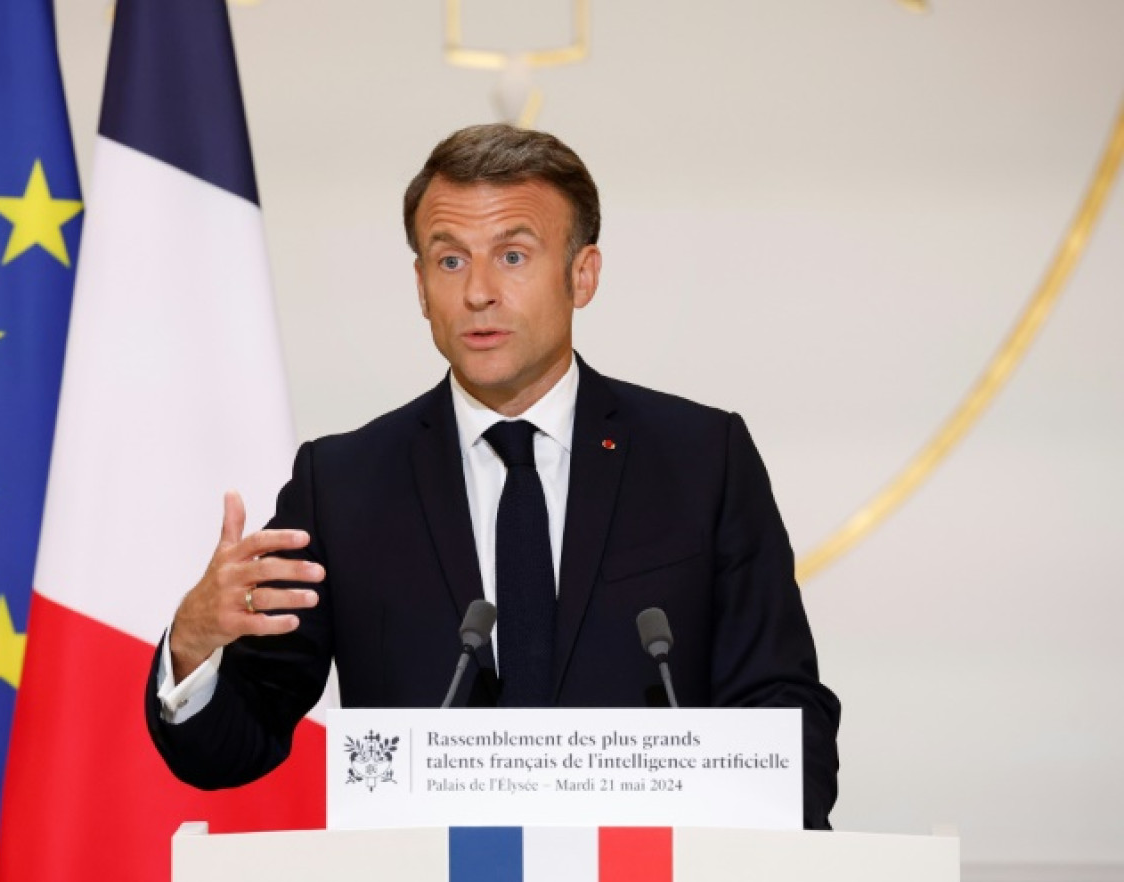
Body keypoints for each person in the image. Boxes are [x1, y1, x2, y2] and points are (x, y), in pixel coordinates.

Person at [144, 124, 841, 828]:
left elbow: (783, 713)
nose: (478, 292)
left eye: (513, 255)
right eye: (449, 262)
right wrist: (193, 644)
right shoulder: (345, 483)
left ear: (583, 274)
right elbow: (235, 743)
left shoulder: (700, 459)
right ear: (420, 287)